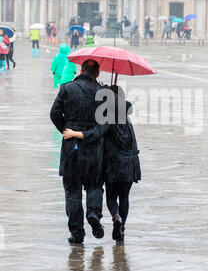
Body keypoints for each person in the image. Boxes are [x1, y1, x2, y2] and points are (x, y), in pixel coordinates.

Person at [62, 85, 141, 243]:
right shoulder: (126, 115)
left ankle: (116, 216)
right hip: (132, 162)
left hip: (114, 164)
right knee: (124, 196)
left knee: (111, 197)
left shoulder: (109, 116)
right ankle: (121, 228)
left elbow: (96, 133)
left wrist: (74, 133)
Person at [50, 59, 108, 244]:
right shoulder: (103, 93)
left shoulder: (66, 88)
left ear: (81, 70)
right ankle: (93, 213)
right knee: (95, 185)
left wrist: (67, 131)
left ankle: (77, 233)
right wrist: (89, 135)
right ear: (97, 74)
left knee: (73, 191)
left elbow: (54, 114)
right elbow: (105, 125)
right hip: (94, 149)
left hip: (71, 147)